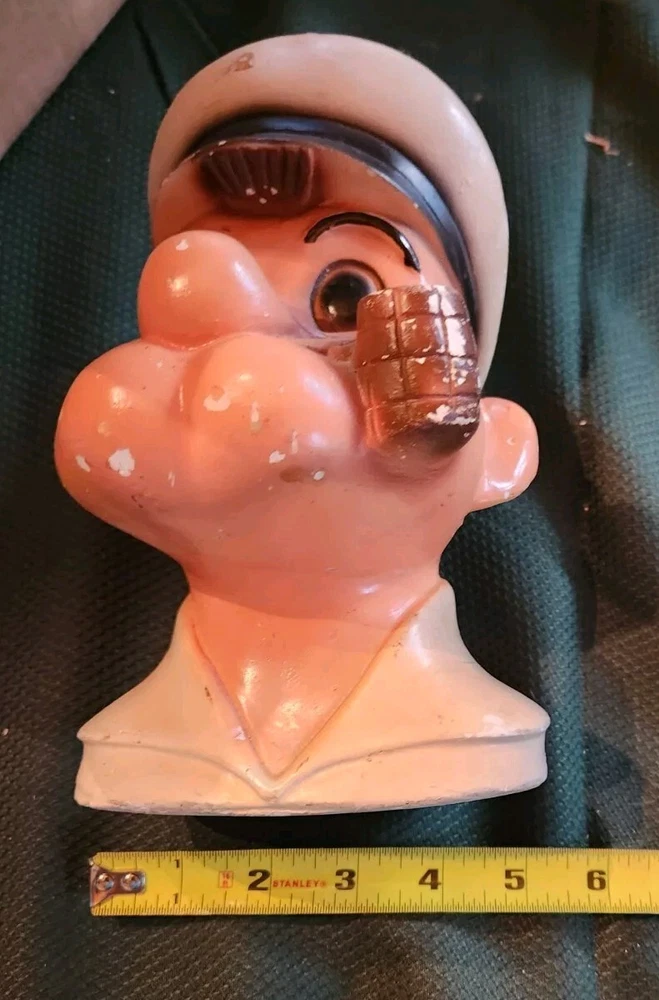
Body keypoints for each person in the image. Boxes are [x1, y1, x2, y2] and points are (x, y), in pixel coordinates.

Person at [55, 33, 549, 814]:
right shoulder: (130, 743)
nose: (237, 335)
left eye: (345, 299)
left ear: (499, 450)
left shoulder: (482, 729)